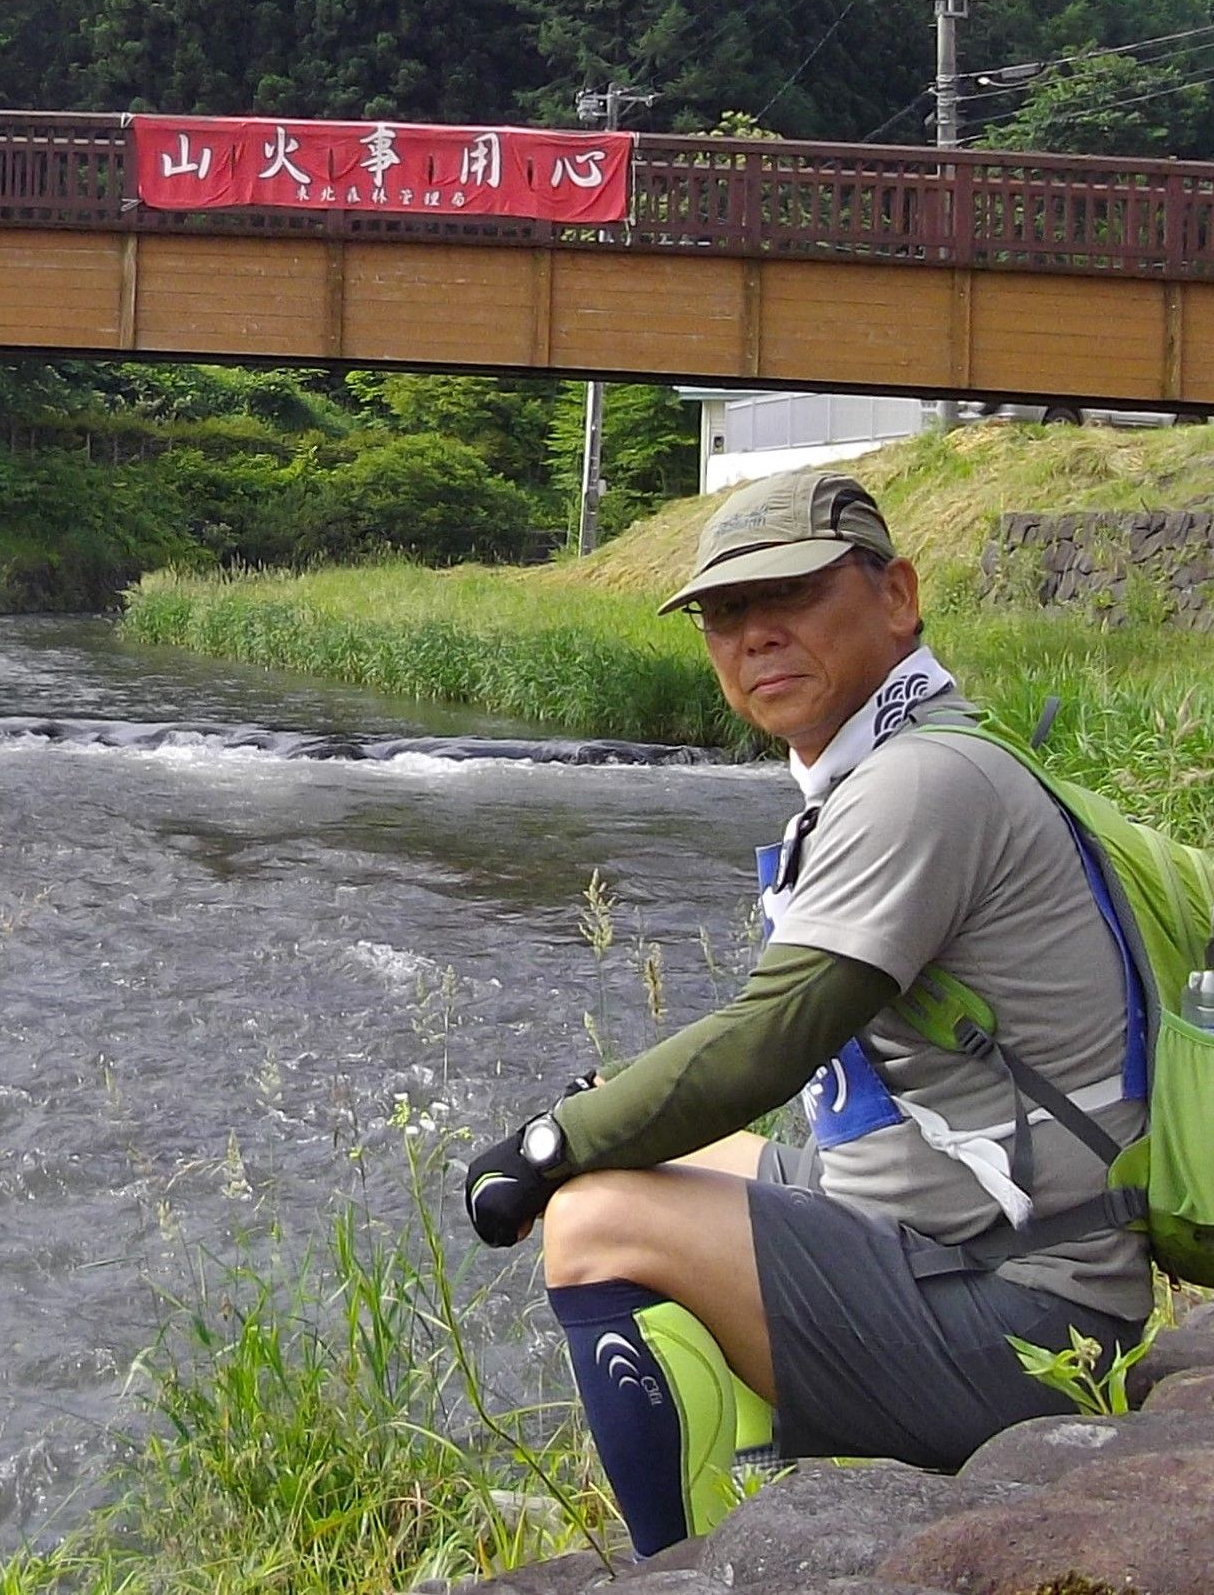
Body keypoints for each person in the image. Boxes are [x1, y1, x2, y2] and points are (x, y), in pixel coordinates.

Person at [460, 470, 1151, 1559]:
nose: (754, 634)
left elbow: (768, 1040)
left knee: (592, 1215)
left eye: (792, 593)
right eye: (725, 613)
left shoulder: (917, 785)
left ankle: (676, 1566)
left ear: (895, 597)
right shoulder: (903, 755)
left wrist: (546, 1144)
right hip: (967, 1240)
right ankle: (745, 1491)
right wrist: (605, 1119)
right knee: (664, 1159)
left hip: (1029, 1323)